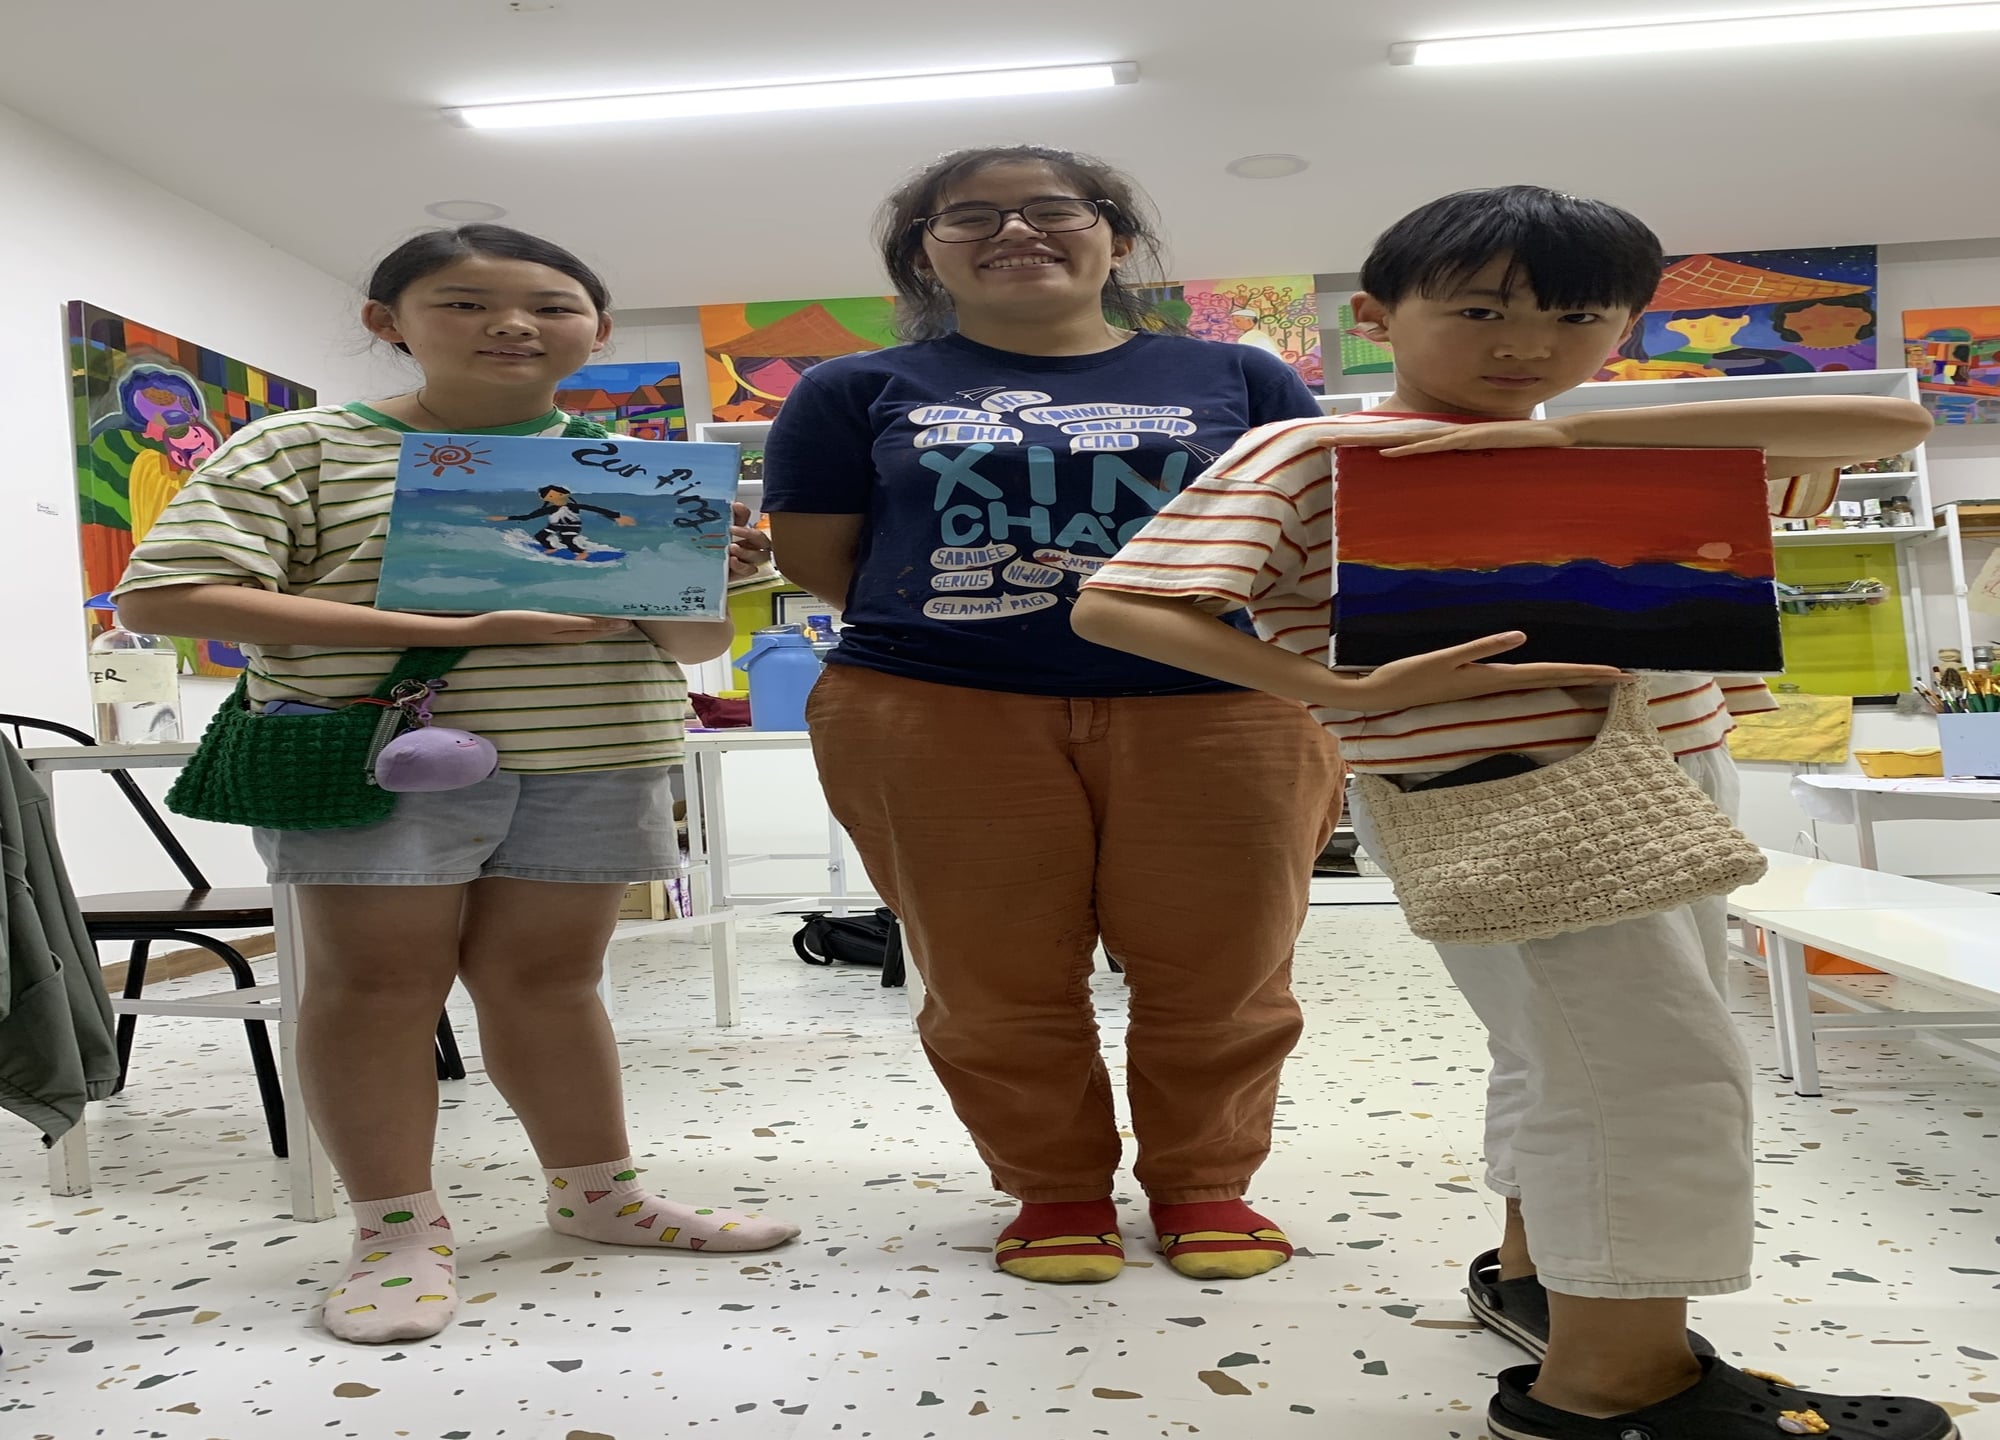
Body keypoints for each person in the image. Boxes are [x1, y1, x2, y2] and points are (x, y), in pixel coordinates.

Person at [1072, 186, 1952, 1440]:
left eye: (1575, 319)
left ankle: (1544, 1283)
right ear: (1377, 317)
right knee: (1651, 1074)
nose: (1525, 346)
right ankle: (1613, 1386)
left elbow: (1890, 418)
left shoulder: (1609, 440)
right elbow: (1116, 606)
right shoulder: (1317, 449)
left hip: (1663, 773)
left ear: (1623, 330)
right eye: (1478, 312)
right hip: (1499, 793)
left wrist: (1562, 439)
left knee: (1570, 1056)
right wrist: (1337, 689)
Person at [113, 223, 799, 1348]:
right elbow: (164, 597)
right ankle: (394, 1232)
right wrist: (457, 625)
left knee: (554, 982)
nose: (512, 325)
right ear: (388, 322)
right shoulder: (301, 446)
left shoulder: (644, 465)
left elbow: (687, 648)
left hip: (593, 747)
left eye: (550, 305)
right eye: (466, 302)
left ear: (598, 331)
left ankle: (599, 1197)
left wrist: (701, 575)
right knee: (376, 988)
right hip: (375, 752)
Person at [763, 144, 1366, 1287]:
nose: (1014, 231)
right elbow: (825, 561)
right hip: (935, 708)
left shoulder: (1240, 377)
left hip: (1220, 704)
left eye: (1053, 209)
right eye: (970, 217)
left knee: (1227, 965)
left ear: (1116, 239)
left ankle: (1204, 1180)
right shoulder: (849, 389)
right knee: (989, 975)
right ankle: (1054, 1188)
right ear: (923, 255)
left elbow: (1300, 545)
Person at [488, 483, 638, 557]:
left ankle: (582, 552)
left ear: (565, 494)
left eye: (558, 494)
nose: (555, 498)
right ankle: (551, 547)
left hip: (571, 526)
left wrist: (617, 516)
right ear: (546, 499)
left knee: (566, 540)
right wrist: (505, 517)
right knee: (540, 536)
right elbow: (528, 517)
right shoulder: (550, 509)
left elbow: (595, 509)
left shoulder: (573, 506)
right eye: (550, 496)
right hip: (555, 525)